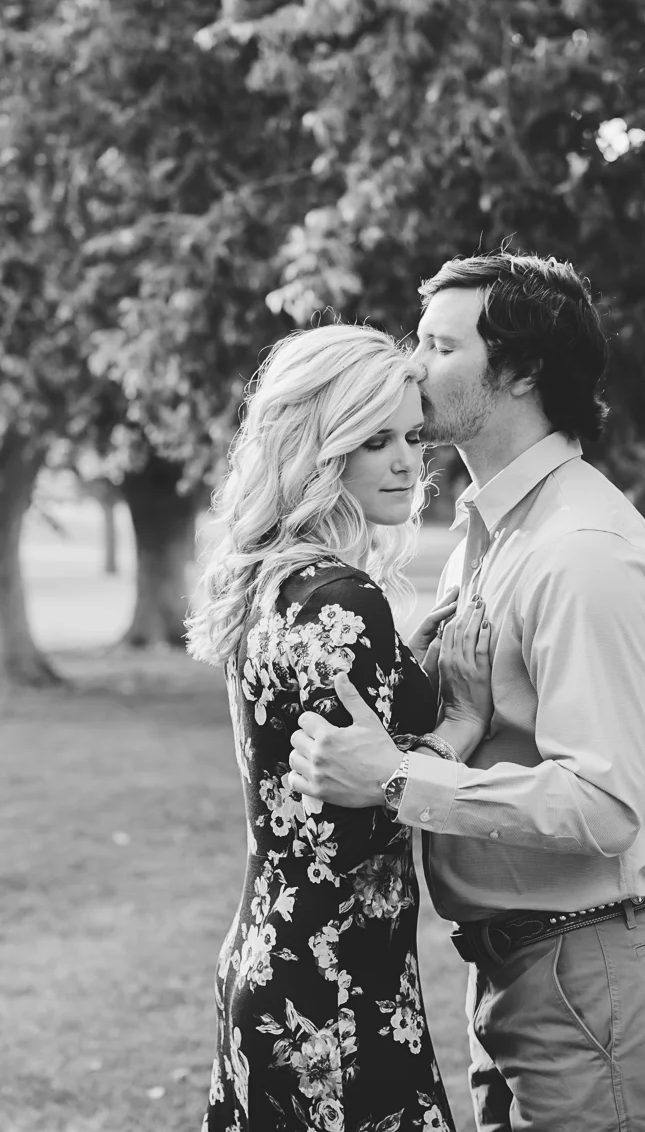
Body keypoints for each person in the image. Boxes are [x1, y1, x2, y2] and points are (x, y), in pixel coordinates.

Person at [288, 253, 645, 1132]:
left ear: (521, 371)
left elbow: (603, 803)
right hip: (517, 964)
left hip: (593, 966)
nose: (411, 365)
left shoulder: (583, 551)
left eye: (440, 346)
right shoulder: (486, 540)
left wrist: (396, 778)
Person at [189, 323, 497, 1132]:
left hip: (275, 960)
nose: (407, 463)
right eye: (374, 441)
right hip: (332, 998)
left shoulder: (276, 578)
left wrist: (405, 663)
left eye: (412, 437)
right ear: (318, 450)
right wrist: (461, 723)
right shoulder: (344, 601)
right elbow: (360, 812)